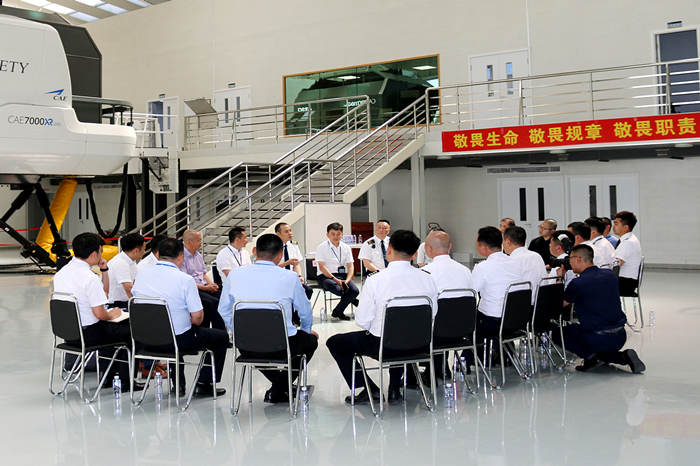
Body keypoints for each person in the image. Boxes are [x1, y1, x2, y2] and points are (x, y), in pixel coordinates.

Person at [326, 230, 438, 404]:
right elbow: (433, 313)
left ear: (389, 250)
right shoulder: (428, 279)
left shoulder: (376, 280)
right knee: (402, 333)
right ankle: (394, 388)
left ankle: (369, 389)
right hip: (420, 344)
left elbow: (362, 321)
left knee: (335, 343)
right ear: (415, 254)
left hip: (384, 346)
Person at [218, 234, 318, 403]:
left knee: (257, 350)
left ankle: (279, 387)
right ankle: (280, 388)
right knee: (311, 341)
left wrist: (237, 332)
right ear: (280, 255)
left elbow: (223, 309)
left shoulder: (234, 275)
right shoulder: (290, 277)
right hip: (282, 345)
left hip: (246, 345)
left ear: (254, 251)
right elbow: (305, 311)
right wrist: (306, 332)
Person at [132, 238, 228, 397]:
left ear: (158, 254)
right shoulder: (185, 280)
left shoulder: (141, 276)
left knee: (177, 329)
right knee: (221, 337)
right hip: (176, 341)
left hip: (144, 340)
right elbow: (198, 317)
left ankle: (179, 384)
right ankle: (204, 383)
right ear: (181, 257)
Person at [53, 233, 143, 392]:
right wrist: (112, 314)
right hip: (88, 334)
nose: (102, 255)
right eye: (101, 252)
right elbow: (100, 314)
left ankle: (108, 377)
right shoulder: (89, 278)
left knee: (111, 331)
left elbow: (104, 293)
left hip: (68, 333)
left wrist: (104, 270)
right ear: (94, 254)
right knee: (133, 332)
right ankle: (126, 382)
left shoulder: (62, 273)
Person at [553, 245, 645, 373]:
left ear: (578, 259)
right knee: (597, 345)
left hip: (597, 338)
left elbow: (559, 304)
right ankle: (623, 357)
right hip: (620, 335)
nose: (569, 263)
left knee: (558, 333)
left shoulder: (578, 283)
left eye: (570, 259)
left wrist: (559, 278)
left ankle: (591, 358)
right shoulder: (610, 275)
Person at [420, 229, 472, 381]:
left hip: (436, 332)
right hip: (464, 329)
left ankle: (431, 370)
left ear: (428, 249)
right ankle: (441, 368)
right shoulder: (465, 270)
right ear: (450, 247)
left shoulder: (425, 272)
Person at [471, 226, 522, 338]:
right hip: (517, 318)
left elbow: (470, 292)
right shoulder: (516, 263)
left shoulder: (482, 267)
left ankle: (477, 349)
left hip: (492, 320)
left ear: (484, 247)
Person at [180, 229, 226, 330]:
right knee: (212, 302)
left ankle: (222, 333)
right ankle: (213, 332)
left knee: (223, 298)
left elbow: (204, 274)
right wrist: (206, 288)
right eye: (199, 240)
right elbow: (186, 281)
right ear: (189, 242)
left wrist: (212, 284)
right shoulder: (181, 257)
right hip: (193, 289)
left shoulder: (198, 255)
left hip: (204, 286)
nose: (201, 243)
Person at [315, 222, 359, 321]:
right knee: (339, 290)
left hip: (342, 275)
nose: (336, 236)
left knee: (355, 290)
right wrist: (335, 279)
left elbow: (350, 266)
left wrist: (347, 280)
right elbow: (322, 267)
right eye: (333, 234)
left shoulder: (346, 247)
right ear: (327, 234)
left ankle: (337, 311)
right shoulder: (321, 247)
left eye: (338, 234)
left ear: (342, 234)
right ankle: (353, 300)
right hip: (325, 276)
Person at [503, 226, 547, 304]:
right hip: (541, 303)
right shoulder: (536, 255)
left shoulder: (511, 260)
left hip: (523, 305)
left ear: (508, 242)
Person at [107, 233, 145, 309]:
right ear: (136, 251)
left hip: (125, 302)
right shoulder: (120, 262)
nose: (144, 252)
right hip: (116, 305)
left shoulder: (131, 261)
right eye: (144, 249)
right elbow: (129, 289)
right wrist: (138, 307)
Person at [275, 222, 313, 299]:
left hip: (291, 278)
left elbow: (296, 264)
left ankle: (297, 308)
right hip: (277, 279)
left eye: (290, 230)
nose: (290, 233)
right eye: (286, 231)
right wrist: (287, 263)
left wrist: (299, 276)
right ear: (278, 234)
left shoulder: (293, 245)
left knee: (308, 290)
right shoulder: (272, 247)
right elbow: (271, 267)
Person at [613, 211, 642, 296]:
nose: (613, 227)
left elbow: (616, 265)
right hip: (627, 281)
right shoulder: (630, 238)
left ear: (625, 227)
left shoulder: (628, 242)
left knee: (592, 283)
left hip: (625, 283)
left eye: (616, 224)